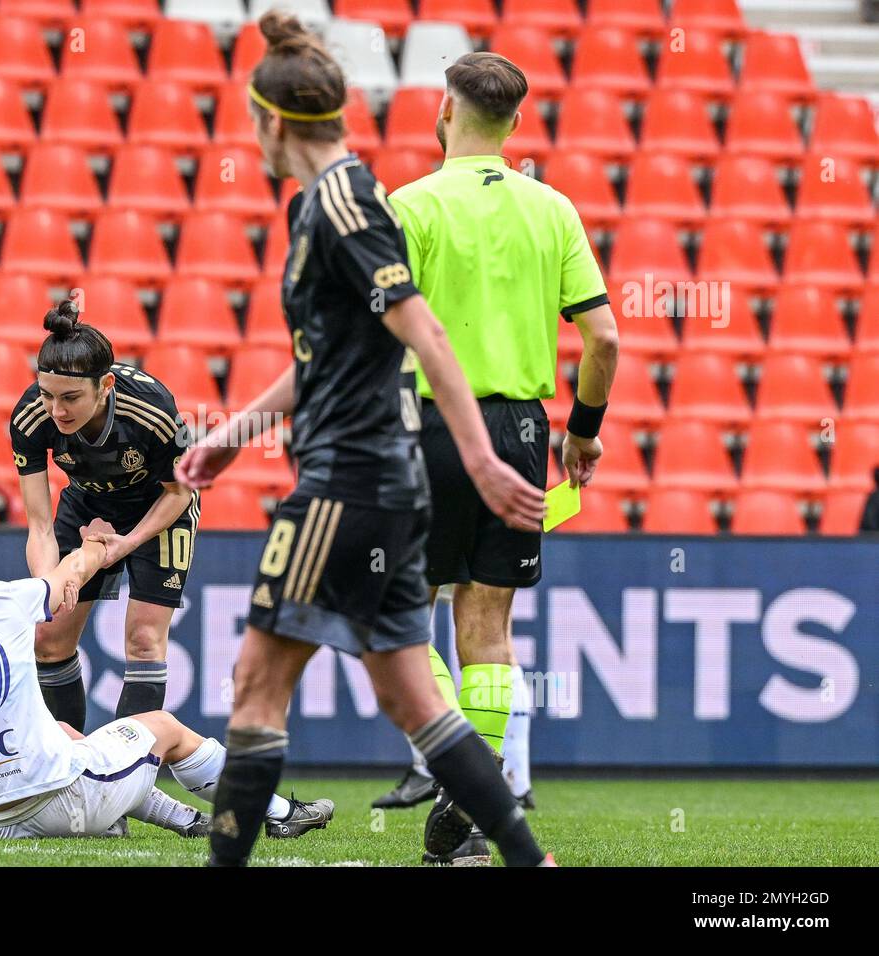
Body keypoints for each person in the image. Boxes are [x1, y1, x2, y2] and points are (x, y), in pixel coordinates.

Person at [176, 12, 553, 868]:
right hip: (381, 482)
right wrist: (234, 436)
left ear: (272, 122)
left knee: (255, 686)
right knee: (414, 699)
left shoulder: (342, 204)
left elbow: (427, 334)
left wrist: (486, 460)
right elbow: (328, 357)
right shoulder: (334, 200)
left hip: (343, 484)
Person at [383, 51, 620, 863]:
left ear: (443, 113)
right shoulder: (552, 209)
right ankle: (475, 786)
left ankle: (455, 770)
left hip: (421, 423)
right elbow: (604, 338)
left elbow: (371, 329)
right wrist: (582, 431)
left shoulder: (407, 205)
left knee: (404, 618)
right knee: (487, 625)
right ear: (516, 122)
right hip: (518, 430)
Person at [0, 520, 334, 841]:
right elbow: (71, 573)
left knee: (63, 734)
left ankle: (191, 823)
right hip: (62, 802)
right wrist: (99, 543)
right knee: (165, 727)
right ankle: (277, 814)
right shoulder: (2, 601)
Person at [11, 300, 200, 731]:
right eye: (46, 394)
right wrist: (49, 586)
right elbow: (39, 524)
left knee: (144, 640)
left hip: (159, 508)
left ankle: (125, 780)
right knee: (48, 637)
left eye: (71, 398)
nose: (56, 411)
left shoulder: (153, 410)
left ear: (106, 385)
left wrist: (128, 543)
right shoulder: (29, 419)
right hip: (87, 503)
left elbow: (181, 490)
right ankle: (69, 770)